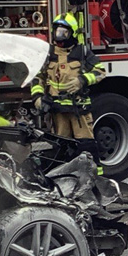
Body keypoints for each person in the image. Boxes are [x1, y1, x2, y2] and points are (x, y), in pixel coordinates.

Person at [30, 12, 104, 155]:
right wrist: (37, 97)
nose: (60, 36)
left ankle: (94, 175)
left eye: (64, 32)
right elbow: (37, 76)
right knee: (60, 147)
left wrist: (82, 80)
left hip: (78, 109)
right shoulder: (49, 54)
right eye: (57, 32)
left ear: (72, 33)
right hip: (57, 111)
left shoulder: (82, 52)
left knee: (86, 146)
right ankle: (64, 175)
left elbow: (100, 72)